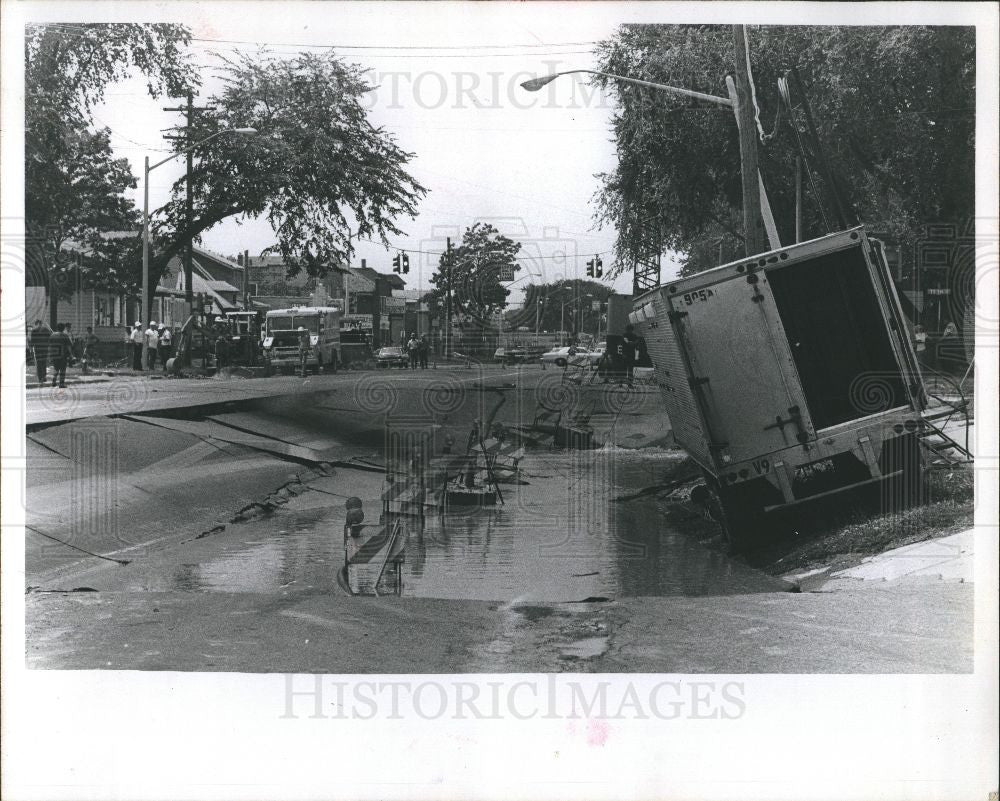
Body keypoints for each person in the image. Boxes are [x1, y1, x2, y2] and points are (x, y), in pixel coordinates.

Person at [49, 323, 72, 388]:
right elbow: (68, 346)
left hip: (54, 354)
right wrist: (71, 354)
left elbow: (50, 346)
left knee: (56, 368)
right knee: (62, 369)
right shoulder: (65, 335)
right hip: (63, 355)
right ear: (63, 328)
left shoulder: (52, 335)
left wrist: (50, 354)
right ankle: (61, 383)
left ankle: (54, 380)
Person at [29, 320, 51, 384]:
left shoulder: (34, 330)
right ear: (41, 323)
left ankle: (40, 378)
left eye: (35, 324)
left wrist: (31, 348)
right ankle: (44, 376)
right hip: (45, 348)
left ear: (37, 324)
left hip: (37, 349)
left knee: (39, 363)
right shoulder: (46, 330)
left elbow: (32, 341)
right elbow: (49, 339)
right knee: (44, 362)